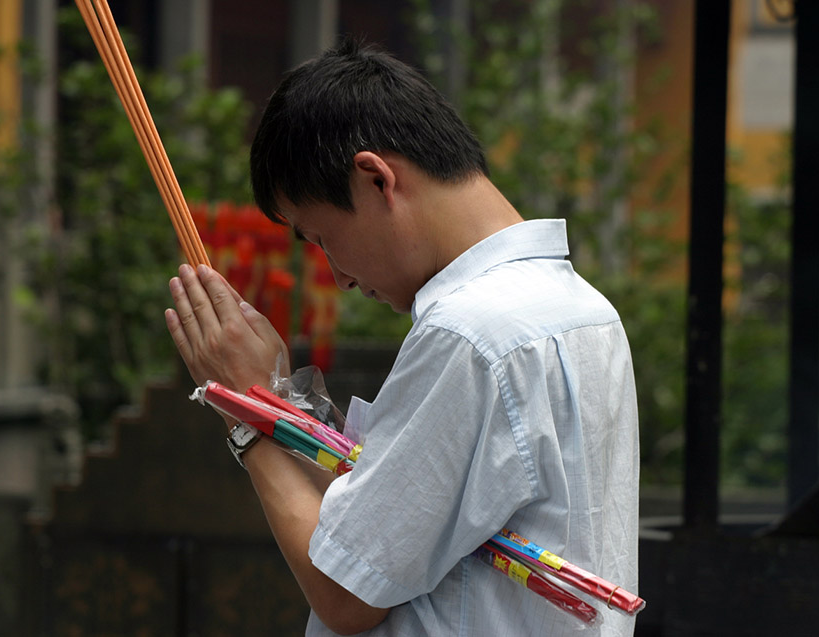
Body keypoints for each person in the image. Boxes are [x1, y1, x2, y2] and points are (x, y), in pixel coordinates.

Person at [165, 38, 639, 636]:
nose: (336, 277)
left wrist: (246, 412)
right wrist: (278, 401)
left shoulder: (472, 334)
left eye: (321, 237)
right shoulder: (581, 308)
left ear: (374, 179)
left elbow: (346, 593)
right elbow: (373, 522)